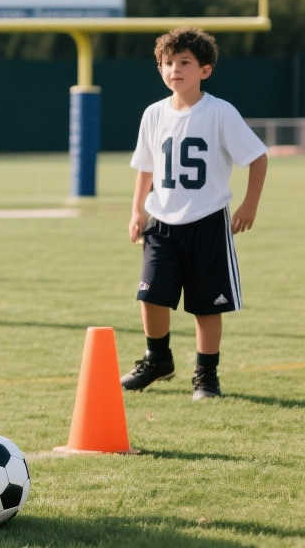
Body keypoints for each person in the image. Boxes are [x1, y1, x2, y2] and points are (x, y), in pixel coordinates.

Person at [122, 27, 267, 400]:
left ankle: (206, 375)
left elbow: (257, 157)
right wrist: (136, 210)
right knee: (151, 296)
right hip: (161, 221)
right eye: (167, 63)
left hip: (207, 221)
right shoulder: (153, 114)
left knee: (206, 304)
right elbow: (146, 168)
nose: (175, 70)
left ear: (205, 69)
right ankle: (158, 360)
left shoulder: (219, 112)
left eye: (184, 62)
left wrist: (249, 204)